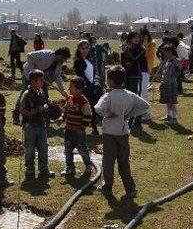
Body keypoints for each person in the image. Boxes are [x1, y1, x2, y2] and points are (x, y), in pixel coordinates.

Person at [94, 66, 150, 198]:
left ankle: (107, 187)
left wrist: (108, 114)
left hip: (109, 134)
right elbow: (145, 106)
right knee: (124, 162)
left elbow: (97, 109)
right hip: (123, 133)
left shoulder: (108, 96)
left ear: (111, 81)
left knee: (108, 162)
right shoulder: (129, 95)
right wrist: (129, 114)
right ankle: (130, 189)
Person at [13, 47, 71, 124]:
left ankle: (44, 118)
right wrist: (33, 70)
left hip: (42, 79)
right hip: (29, 76)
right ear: (59, 55)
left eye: (65, 59)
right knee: (24, 95)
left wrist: (62, 90)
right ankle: (16, 117)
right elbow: (30, 55)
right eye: (63, 58)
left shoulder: (59, 64)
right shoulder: (47, 54)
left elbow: (57, 76)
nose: (64, 61)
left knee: (44, 96)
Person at [19, 69, 54, 182]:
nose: (42, 82)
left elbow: (43, 102)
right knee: (29, 148)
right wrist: (36, 110)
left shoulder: (41, 91)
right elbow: (22, 110)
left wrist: (45, 105)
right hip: (30, 125)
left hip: (41, 124)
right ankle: (29, 170)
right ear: (33, 81)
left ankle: (44, 169)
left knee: (43, 148)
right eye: (40, 80)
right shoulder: (26, 94)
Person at [57, 77, 94, 176]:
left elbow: (88, 116)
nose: (69, 89)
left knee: (83, 150)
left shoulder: (84, 102)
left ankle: (88, 166)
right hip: (68, 131)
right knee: (67, 150)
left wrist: (82, 128)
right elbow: (66, 111)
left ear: (79, 89)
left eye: (71, 87)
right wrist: (62, 118)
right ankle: (70, 168)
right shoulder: (69, 98)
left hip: (78, 133)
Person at [73, 39, 102, 135]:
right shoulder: (78, 61)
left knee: (93, 108)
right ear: (78, 49)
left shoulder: (90, 59)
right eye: (83, 48)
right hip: (84, 88)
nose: (85, 50)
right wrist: (90, 86)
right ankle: (80, 128)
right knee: (84, 109)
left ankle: (94, 127)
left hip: (92, 87)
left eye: (87, 48)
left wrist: (96, 83)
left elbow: (93, 74)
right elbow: (81, 76)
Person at [120, 31, 147, 129]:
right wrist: (125, 57)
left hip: (136, 75)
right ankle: (129, 120)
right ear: (130, 38)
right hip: (127, 75)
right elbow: (123, 61)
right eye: (135, 37)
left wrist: (126, 51)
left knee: (136, 98)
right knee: (128, 98)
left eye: (138, 37)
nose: (137, 39)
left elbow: (135, 58)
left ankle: (137, 121)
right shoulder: (126, 49)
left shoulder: (141, 49)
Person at [158, 45, 179, 124]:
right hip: (165, 83)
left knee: (172, 102)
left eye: (164, 53)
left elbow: (177, 72)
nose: (163, 55)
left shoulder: (175, 61)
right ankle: (169, 116)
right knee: (167, 101)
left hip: (171, 84)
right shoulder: (167, 61)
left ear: (169, 52)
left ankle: (174, 118)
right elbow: (164, 72)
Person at [139, 28, 156, 119]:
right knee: (141, 91)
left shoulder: (151, 44)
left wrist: (145, 44)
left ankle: (146, 112)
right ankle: (142, 111)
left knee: (144, 91)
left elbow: (148, 57)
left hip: (146, 70)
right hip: (139, 70)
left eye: (143, 36)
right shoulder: (140, 44)